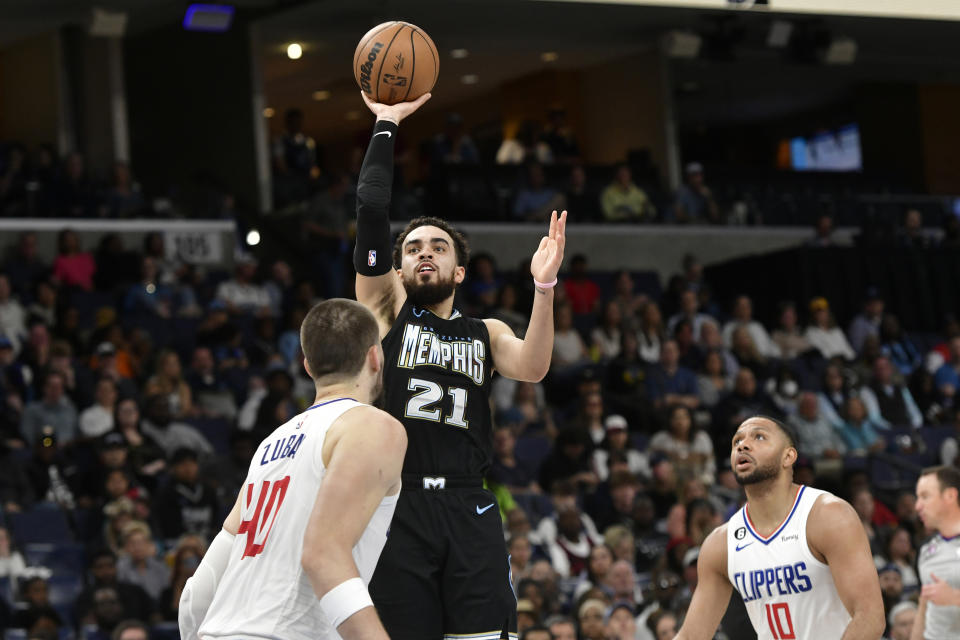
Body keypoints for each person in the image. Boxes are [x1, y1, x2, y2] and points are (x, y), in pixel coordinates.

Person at [354, 92, 566, 640]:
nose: (426, 252)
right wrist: (385, 123)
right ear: (397, 271)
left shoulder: (486, 332)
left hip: (469, 500)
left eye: (440, 246)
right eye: (415, 247)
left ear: (460, 271)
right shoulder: (385, 310)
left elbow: (534, 367)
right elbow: (372, 212)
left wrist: (543, 287)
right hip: (398, 503)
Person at [178, 299, 407, 640]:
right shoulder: (372, 427)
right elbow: (323, 554)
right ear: (375, 357)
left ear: (308, 366)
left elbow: (197, 595)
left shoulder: (270, 444)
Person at [674, 415, 885, 640]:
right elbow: (690, 636)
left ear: (788, 456)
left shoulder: (827, 516)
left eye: (759, 437)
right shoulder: (720, 543)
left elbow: (870, 617)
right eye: (737, 441)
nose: (743, 445)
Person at [911, 466, 960, 640]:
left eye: (925, 496)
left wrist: (955, 597)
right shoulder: (926, 551)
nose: (917, 506)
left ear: (950, 496)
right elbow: (924, 608)